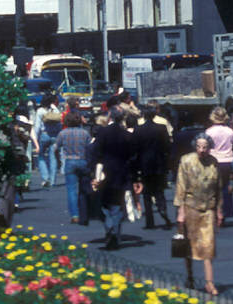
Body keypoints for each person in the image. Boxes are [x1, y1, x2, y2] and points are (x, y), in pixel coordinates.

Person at [175, 134, 221, 297]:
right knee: (188, 246)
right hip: (190, 207)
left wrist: (219, 210)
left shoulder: (214, 162)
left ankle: (210, 283)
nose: (202, 150)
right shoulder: (186, 160)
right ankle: (190, 276)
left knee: (208, 246)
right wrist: (180, 212)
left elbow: (218, 188)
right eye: (199, 146)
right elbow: (180, 186)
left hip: (208, 208)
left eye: (205, 147)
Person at [87, 106, 137, 250]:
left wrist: (93, 172)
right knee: (117, 204)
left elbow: (95, 152)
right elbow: (132, 156)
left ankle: (109, 227)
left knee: (104, 203)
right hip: (121, 173)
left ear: (109, 118)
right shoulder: (126, 135)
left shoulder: (103, 133)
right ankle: (115, 231)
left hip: (104, 173)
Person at [134, 105, 172, 229]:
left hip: (144, 164)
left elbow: (136, 149)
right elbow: (167, 146)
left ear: (144, 116)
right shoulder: (161, 128)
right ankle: (162, 209)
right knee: (159, 190)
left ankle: (149, 221)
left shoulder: (138, 130)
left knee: (147, 193)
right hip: (159, 163)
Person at [55, 110, 92, 224]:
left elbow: (55, 148)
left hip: (70, 161)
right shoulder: (85, 133)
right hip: (83, 160)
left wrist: (58, 160)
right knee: (83, 189)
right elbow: (90, 148)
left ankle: (74, 215)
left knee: (71, 190)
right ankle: (84, 213)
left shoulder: (63, 133)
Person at [204, 107, 233, 222]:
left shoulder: (208, 132)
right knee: (225, 187)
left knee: (213, 188)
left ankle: (214, 212)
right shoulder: (230, 131)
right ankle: (225, 212)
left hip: (213, 161)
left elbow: (205, 147)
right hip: (228, 161)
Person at [33, 95, 62, 188]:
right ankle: (52, 180)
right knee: (53, 157)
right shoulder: (55, 109)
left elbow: (37, 126)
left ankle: (45, 178)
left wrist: (35, 139)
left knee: (41, 156)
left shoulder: (40, 111)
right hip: (54, 136)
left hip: (44, 135)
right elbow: (59, 122)